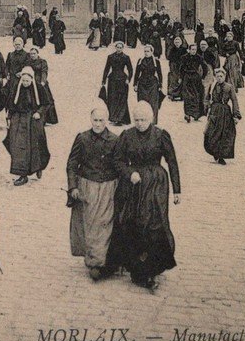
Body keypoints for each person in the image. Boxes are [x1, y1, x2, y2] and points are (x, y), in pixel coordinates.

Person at [106, 101, 180, 291]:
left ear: (152, 118)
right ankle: (137, 268)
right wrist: (130, 173)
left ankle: (152, 269)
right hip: (134, 186)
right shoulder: (127, 136)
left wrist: (177, 190)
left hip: (156, 185)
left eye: (143, 119)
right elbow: (117, 160)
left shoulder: (161, 135)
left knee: (155, 224)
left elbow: (172, 161)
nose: (140, 123)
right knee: (134, 222)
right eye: (137, 119)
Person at [67, 104, 120, 280]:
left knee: (105, 223)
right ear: (91, 120)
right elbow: (72, 164)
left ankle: (101, 262)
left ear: (107, 121)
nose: (98, 124)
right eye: (95, 120)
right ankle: (93, 261)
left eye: (101, 121)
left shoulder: (114, 140)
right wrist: (73, 186)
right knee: (89, 224)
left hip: (107, 186)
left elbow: (120, 165)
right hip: (87, 186)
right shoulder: (82, 138)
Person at [3, 67, 51, 186]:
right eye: (23, 81)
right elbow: (10, 105)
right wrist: (9, 119)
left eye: (27, 81)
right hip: (18, 120)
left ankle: (38, 167)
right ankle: (22, 175)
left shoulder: (39, 88)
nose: (25, 83)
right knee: (17, 147)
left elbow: (46, 104)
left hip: (33, 121)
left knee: (36, 146)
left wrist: (38, 113)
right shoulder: (16, 88)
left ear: (32, 79)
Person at [204, 68, 241, 165]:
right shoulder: (212, 86)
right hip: (214, 111)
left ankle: (221, 155)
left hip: (225, 113)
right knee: (212, 132)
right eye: (217, 76)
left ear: (224, 77)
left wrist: (236, 115)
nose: (219, 78)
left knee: (224, 134)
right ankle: (214, 152)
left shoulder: (229, 87)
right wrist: (207, 108)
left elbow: (234, 100)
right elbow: (207, 97)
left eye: (221, 76)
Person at [100, 41, 133, 126]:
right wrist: (103, 80)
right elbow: (106, 69)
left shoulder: (126, 57)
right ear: (115, 48)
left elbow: (130, 69)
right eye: (117, 47)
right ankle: (114, 118)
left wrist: (128, 79)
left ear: (122, 48)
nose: (119, 49)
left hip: (122, 80)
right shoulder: (110, 57)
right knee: (112, 98)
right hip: (112, 80)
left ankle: (121, 118)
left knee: (122, 99)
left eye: (120, 47)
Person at [133, 44, 164, 124]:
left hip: (153, 84)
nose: (146, 53)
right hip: (142, 84)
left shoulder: (156, 61)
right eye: (145, 51)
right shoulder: (140, 60)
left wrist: (160, 84)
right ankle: (142, 120)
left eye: (148, 51)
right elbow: (137, 73)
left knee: (153, 103)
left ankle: (152, 121)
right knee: (142, 102)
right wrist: (135, 84)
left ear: (152, 52)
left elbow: (159, 73)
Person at [28, 47, 58, 125]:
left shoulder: (42, 62)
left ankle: (50, 119)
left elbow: (44, 72)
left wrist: (43, 81)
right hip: (32, 83)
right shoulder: (28, 62)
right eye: (31, 54)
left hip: (41, 83)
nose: (33, 55)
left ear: (37, 54)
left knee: (47, 99)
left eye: (34, 53)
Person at [179, 43, 206, 122]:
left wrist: (203, 77)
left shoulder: (199, 57)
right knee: (187, 96)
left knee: (197, 96)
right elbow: (181, 68)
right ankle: (187, 114)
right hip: (187, 78)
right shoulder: (184, 57)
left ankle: (196, 114)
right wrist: (181, 77)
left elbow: (205, 67)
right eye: (192, 49)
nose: (194, 51)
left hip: (196, 78)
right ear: (189, 50)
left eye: (195, 50)